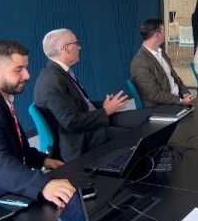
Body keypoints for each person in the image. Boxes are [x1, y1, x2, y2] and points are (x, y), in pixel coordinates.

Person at [0, 40, 75, 207]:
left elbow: (15, 148)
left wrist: (43, 161)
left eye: (25, 68)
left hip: (8, 185)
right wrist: (43, 184)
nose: (27, 75)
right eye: (19, 70)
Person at [34, 29, 149, 162]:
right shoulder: (52, 80)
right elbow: (71, 122)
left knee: (143, 119)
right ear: (66, 48)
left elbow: (78, 104)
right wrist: (106, 110)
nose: (80, 47)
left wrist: (104, 106)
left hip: (89, 125)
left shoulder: (60, 72)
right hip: (80, 140)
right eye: (76, 43)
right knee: (137, 136)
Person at [130, 18, 195, 109]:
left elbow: (175, 77)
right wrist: (180, 101)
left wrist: (185, 93)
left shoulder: (161, 53)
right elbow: (154, 94)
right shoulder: (140, 62)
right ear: (157, 35)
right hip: (162, 107)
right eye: (164, 30)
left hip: (176, 101)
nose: (166, 33)